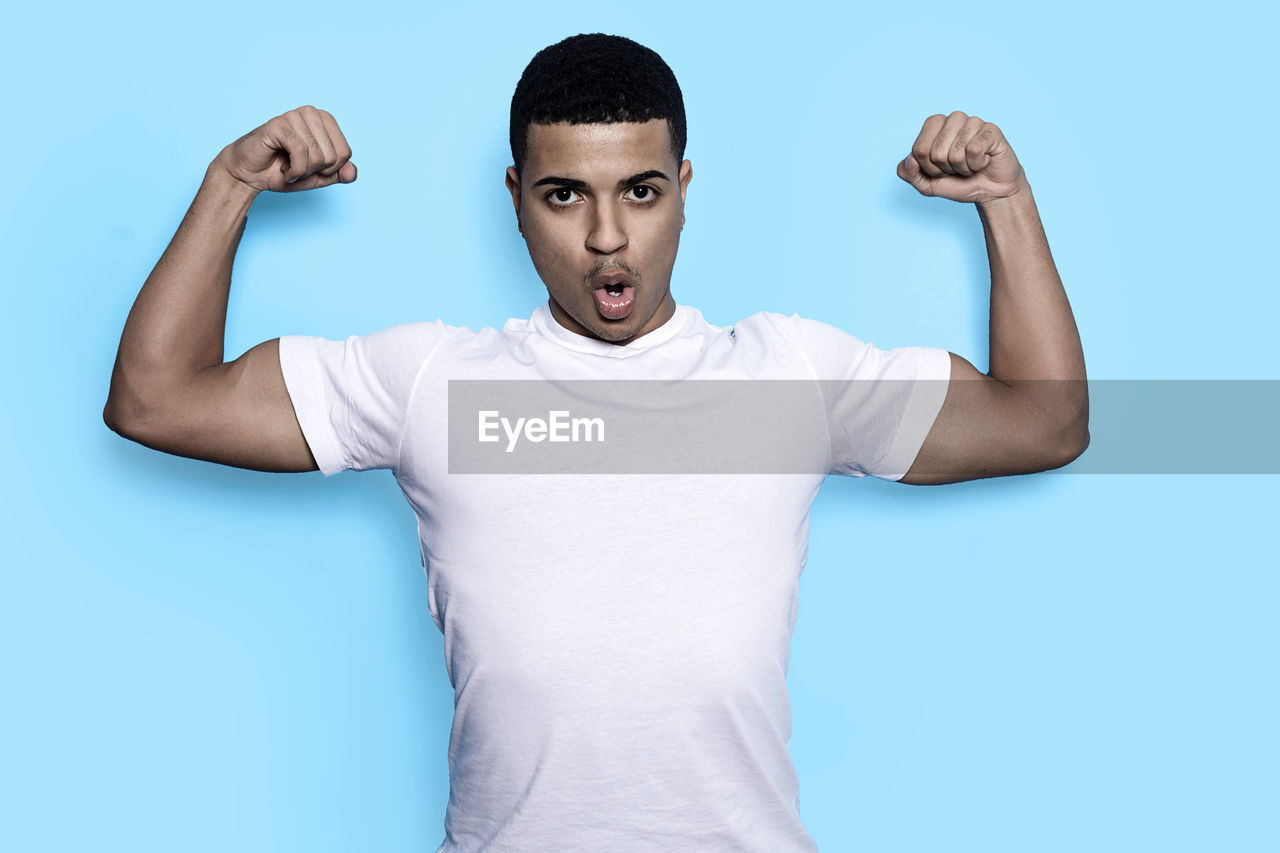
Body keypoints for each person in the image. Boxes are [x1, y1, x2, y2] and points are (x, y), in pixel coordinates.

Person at [104, 32, 1087, 853]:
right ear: (516, 195)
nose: (609, 238)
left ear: (685, 187)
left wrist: (1005, 204)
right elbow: (156, 401)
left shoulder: (785, 375)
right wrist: (229, 185)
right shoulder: (431, 383)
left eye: (642, 192)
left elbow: (1040, 422)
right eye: (565, 194)